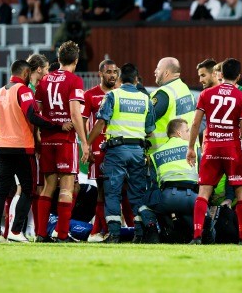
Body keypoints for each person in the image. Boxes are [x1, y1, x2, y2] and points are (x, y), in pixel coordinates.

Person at [0, 60, 68, 243]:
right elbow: (32, 115)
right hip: (22, 148)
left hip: (1, 147)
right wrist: (56, 125)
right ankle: (16, 232)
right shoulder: (23, 91)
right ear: (25, 73)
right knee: (28, 190)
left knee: (1, 191)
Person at [186, 58, 242, 245]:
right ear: (239, 76)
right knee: (241, 193)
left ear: (220, 74)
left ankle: (197, 236)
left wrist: (191, 147)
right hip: (232, 149)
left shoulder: (206, 94)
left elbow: (195, 123)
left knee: (203, 193)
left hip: (211, 148)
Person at [87, 63, 155, 243]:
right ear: (135, 79)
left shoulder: (113, 96)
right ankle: (140, 234)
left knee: (112, 193)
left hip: (116, 150)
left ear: (119, 78)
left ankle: (115, 234)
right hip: (138, 151)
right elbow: (149, 128)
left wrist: (86, 143)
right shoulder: (145, 98)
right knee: (137, 194)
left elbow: (101, 123)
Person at [34, 41, 89, 243]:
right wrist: (84, 142)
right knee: (67, 187)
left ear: (58, 59)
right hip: (66, 141)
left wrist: (39, 137)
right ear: (75, 60)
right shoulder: (75, 81)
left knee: (48, 187)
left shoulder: (45, 80)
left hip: (47, 139)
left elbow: (37, 113)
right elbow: (75, 114)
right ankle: (62, 234)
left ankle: (41, 234)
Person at [139, 119, 199, 243]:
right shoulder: (195, 148)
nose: (189, 133)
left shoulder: (156, 154)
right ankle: (205, 234)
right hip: (192, 198)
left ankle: (153, 232)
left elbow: (154, 184)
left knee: (144, 203)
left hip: (168, 198)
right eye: (187, 130)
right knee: (200, 211)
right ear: (179, 133)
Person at [83, 59, 118, 242]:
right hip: (98, 148)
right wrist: (85, 144)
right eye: (109, 72)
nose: (112, 75)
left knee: (119, 190)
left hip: (118, 147)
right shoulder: (90, 95)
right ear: (100, 74)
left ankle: (102, 230)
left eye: (115, 72)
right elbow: (82, 122)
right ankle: (100, 230)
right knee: (102, 190)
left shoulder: (120, 94)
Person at [148, 57, 196, 153]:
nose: (155, 71)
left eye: (158, 68)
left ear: (166, 73)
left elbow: (147, 119)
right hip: (188, 149)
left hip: (164, 153)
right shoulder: (185, 89)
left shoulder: (164, 94)